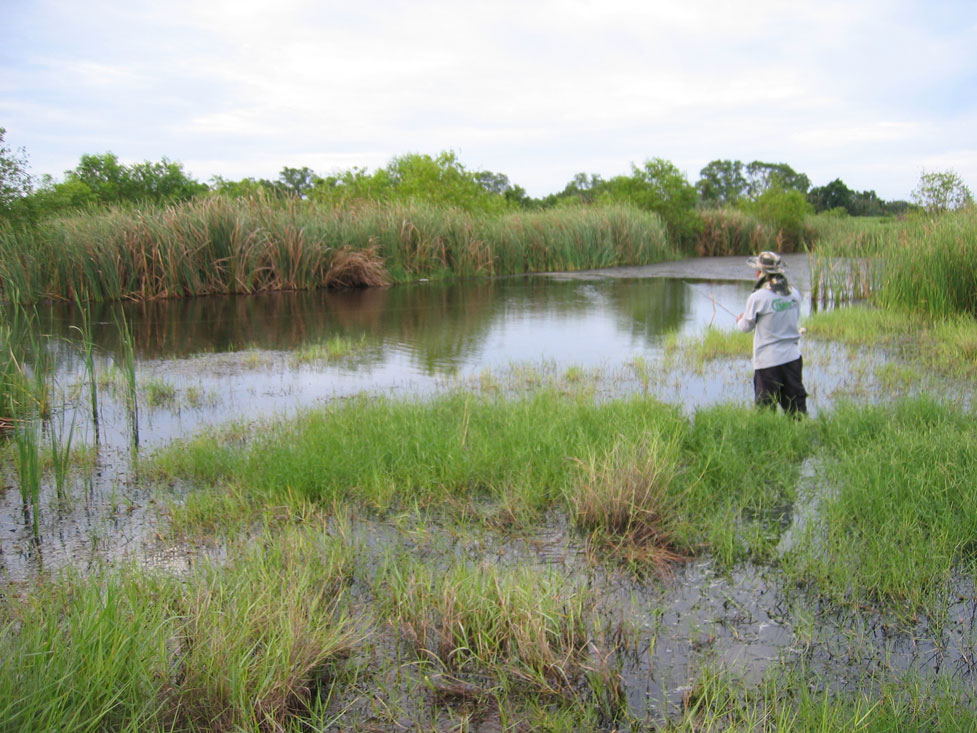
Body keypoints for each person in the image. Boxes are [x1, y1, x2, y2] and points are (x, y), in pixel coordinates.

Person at [735, 251, 807, 415]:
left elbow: (745, 326)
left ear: (761, 273)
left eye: (758, 271)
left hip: (768, 363)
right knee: (797, 411)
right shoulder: (794, 294)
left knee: (765, 412)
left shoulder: (758, 297)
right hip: (793, 358)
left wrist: (740, 319)